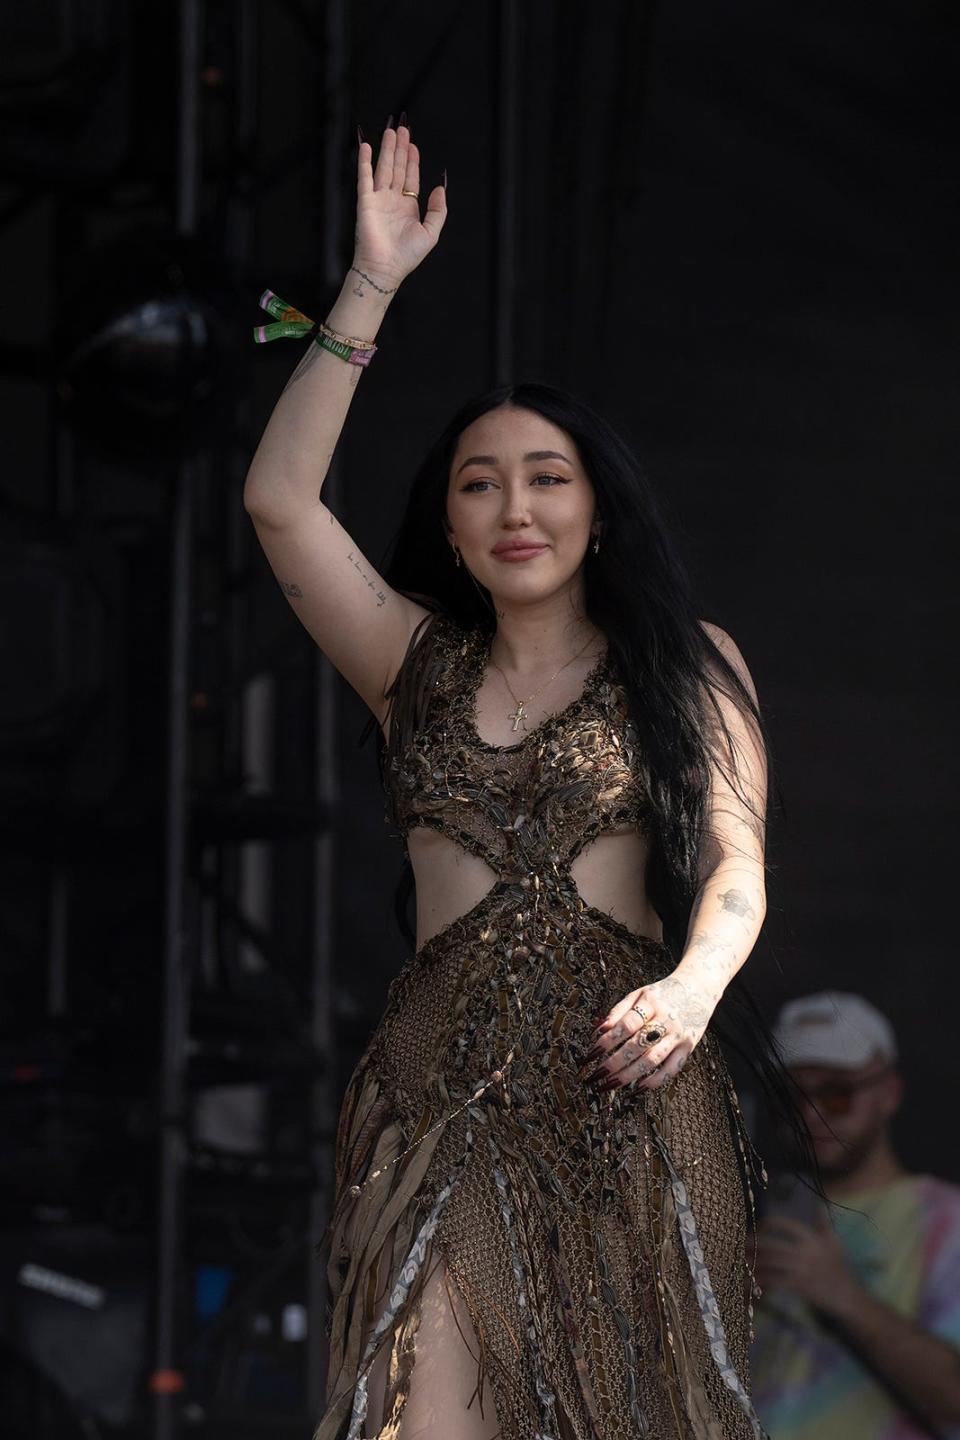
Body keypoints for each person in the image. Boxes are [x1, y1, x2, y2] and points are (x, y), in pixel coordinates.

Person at [245, 116, 774, 1440]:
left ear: (599, 508)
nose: (515, 507)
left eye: (548, 478)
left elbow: (738, 859)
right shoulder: (409, 660)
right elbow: (280, 503)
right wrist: (367, 288)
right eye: (482, 485)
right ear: (452, 520)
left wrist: (695, 988)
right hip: (440, 1104)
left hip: (629, 1098)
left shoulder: (686, 663)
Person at [751, 991, 960, 1439]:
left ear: (890, 1093)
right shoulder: (750, 1219)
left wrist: (842, 1295)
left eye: (837, 1094)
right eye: (789, 1098)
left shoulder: (947, 1222)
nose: (811, 1115)